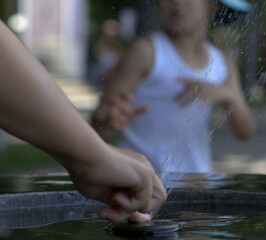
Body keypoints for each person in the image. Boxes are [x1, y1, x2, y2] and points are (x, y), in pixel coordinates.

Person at [0, 20, 167, 223]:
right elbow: (104, 111)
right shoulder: (147, 50)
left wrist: (91, 157)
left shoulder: (214, 60)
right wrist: (93, 155)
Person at [91, 0, 255, 174]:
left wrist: (228, 95)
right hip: (140, 182)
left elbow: (245, 132)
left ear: (215, 5)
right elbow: (97, 123)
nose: (176, 2)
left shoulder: (223, 65)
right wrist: (108, 119)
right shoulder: (146, 52)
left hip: (195, 183)